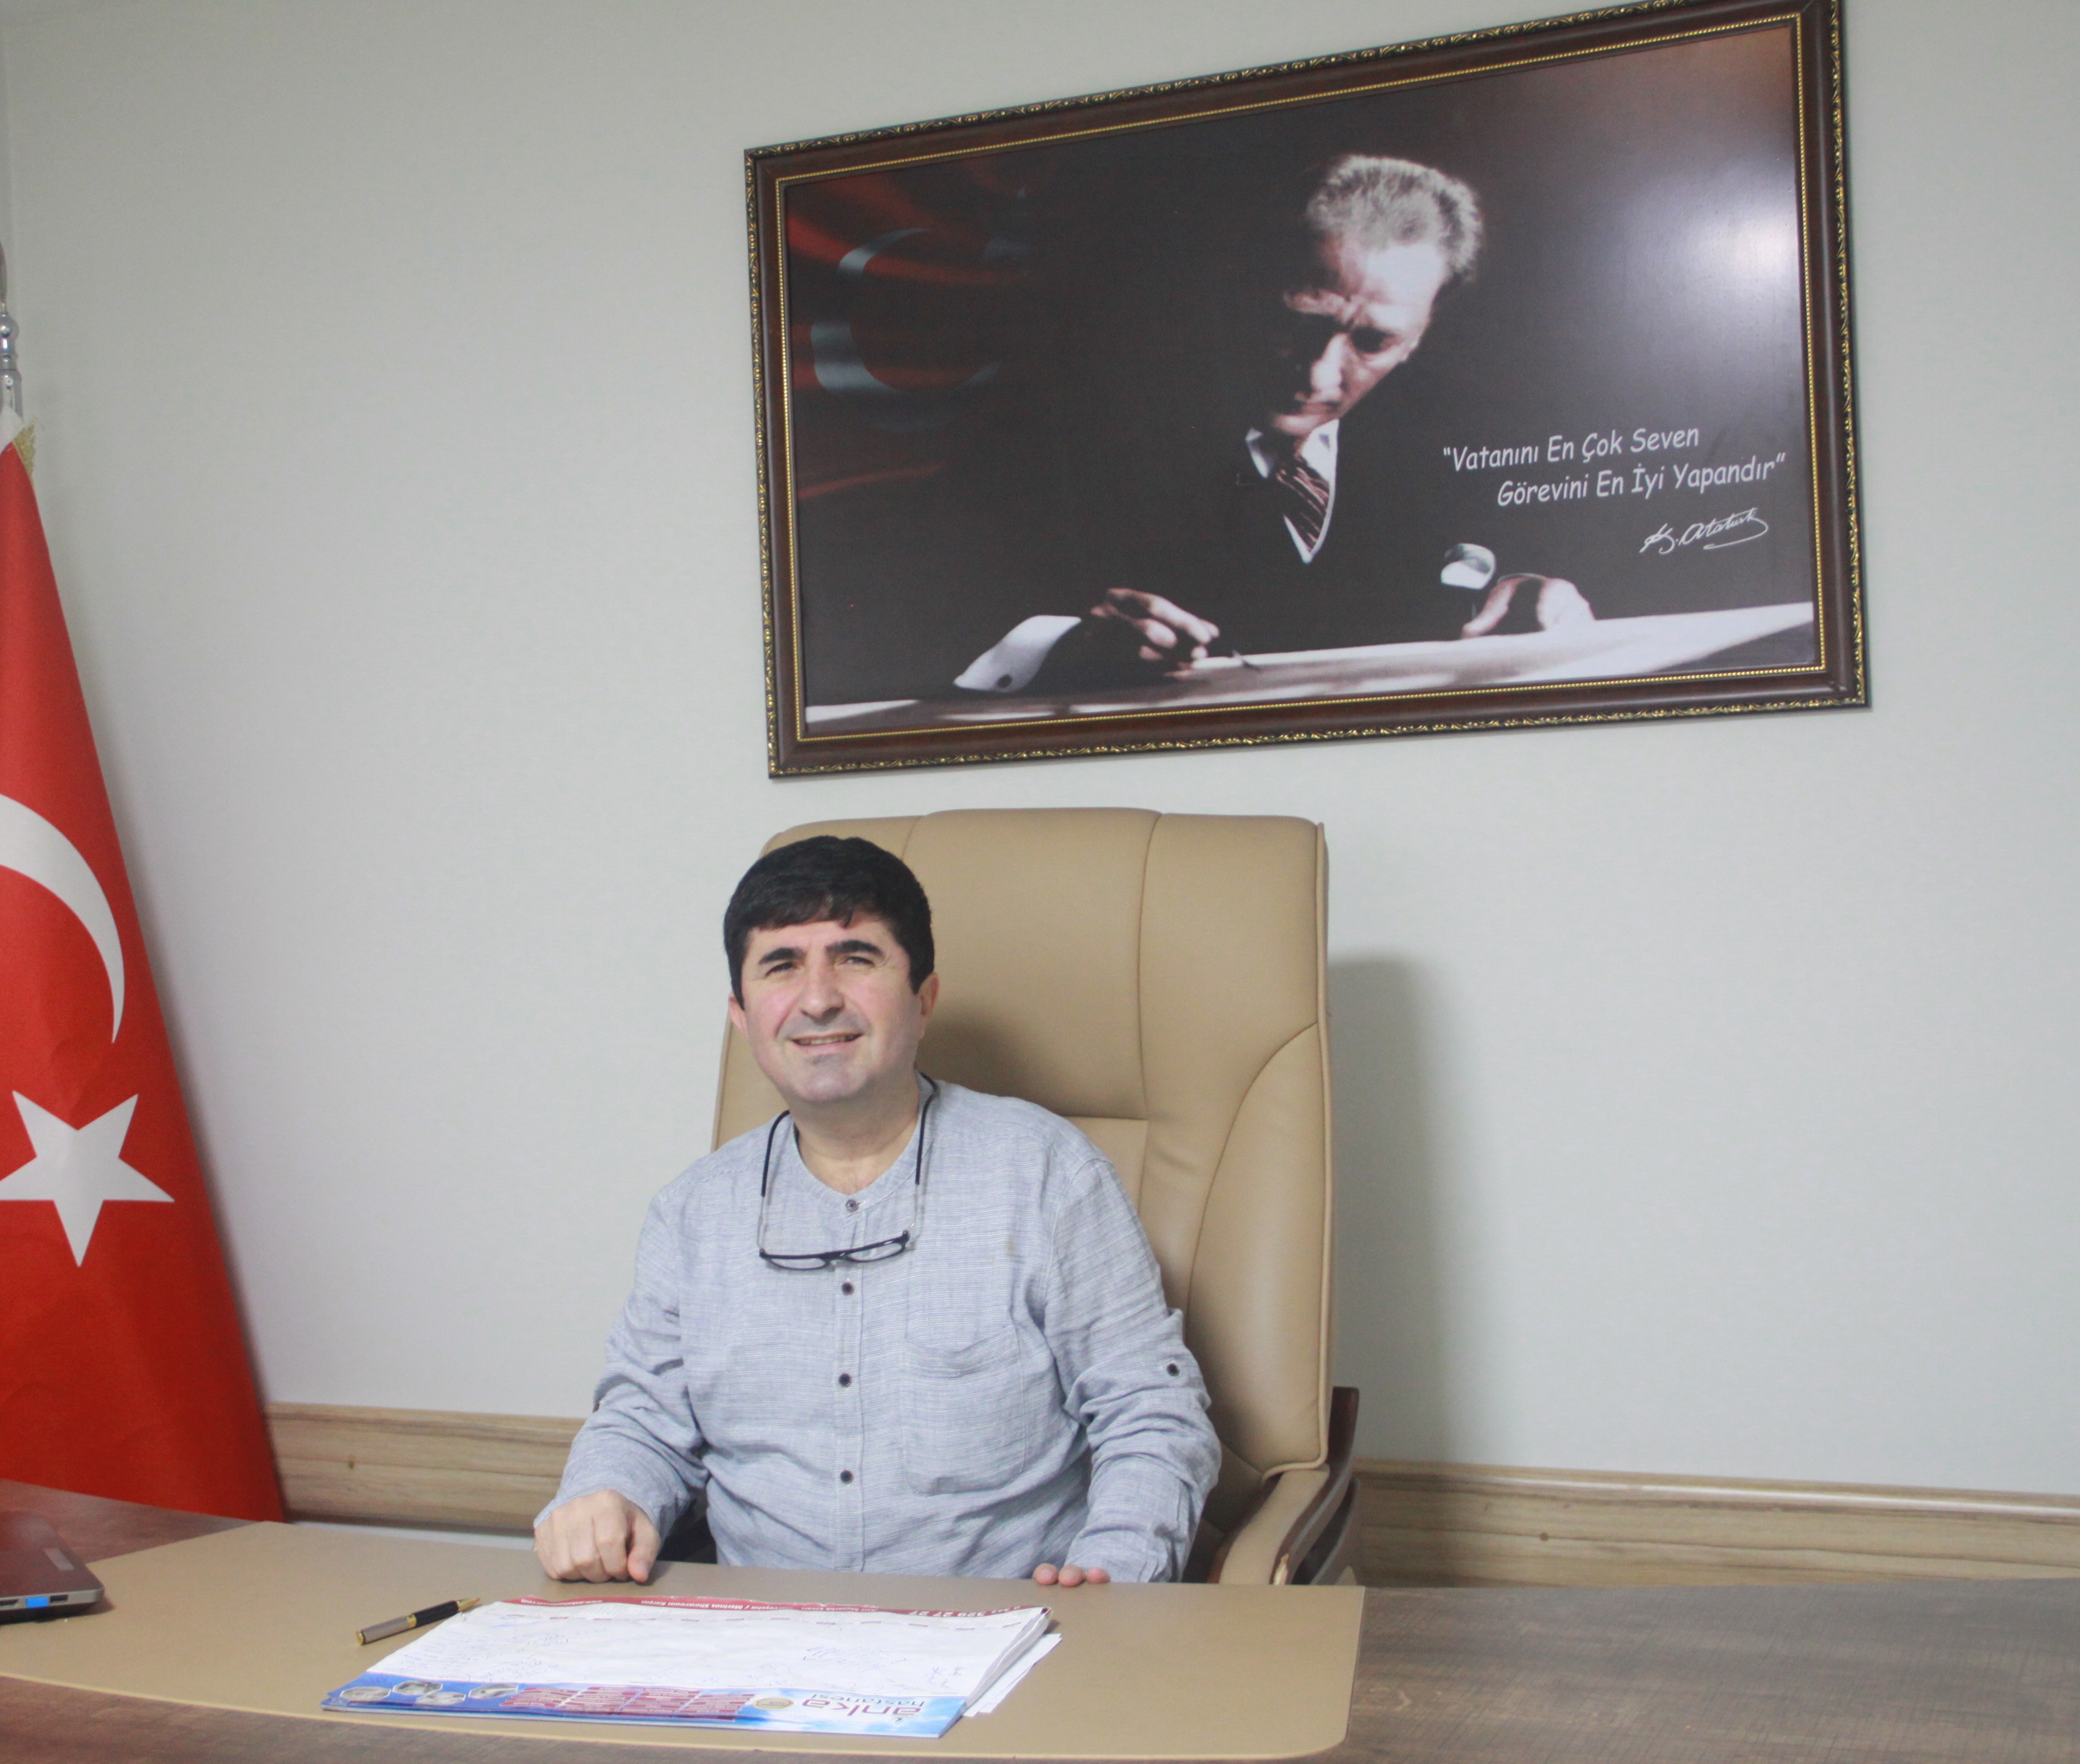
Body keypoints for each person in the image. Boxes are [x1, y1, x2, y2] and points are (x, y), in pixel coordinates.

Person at [534, 836, 1219, 1586]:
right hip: (761, 1634)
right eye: (781, 965)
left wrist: (1111, 1581)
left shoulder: (1047, 1173)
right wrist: (605, 1494)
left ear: (923, 998)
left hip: (1018, 1628)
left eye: (855, 958)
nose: (818, 1000)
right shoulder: (691, 1214)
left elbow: (1151, 1414)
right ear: (741, 1015)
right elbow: (642, 1421)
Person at [793, 154, 1595, 703]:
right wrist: (1061, 648)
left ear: (1423, 333)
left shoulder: (1443, 445)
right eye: (1300, 322)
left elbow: (1435, 598)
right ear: (1244, 290)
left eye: (1374, 342)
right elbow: (879, 628)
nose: (1321, 375)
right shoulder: (1063, 432)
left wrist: (1523, 602)